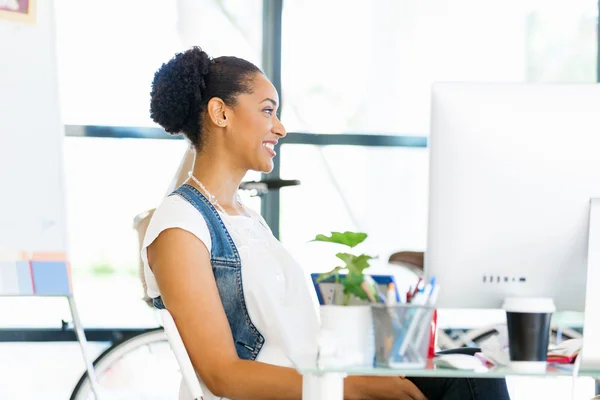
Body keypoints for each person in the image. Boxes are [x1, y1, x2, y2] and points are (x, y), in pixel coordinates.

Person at [143, 46, 511, 400]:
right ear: (220, 113)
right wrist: (353, 389)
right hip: (306, 394)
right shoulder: (181, 226)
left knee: (470, 370)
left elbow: (294, 341)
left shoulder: (245, 218)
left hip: (319, 387)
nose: (280, 128)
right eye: (268, 111)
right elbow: (222, 374)